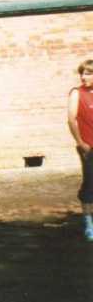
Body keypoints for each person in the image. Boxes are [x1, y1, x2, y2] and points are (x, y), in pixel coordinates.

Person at [67, 59, 93, 242]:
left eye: (88, 73)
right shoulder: (77, 93)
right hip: (88, 147)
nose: (84, 77)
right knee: (90, 183)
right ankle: (88, 224)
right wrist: (81, 142)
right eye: (82, 73)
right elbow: (71, 120)